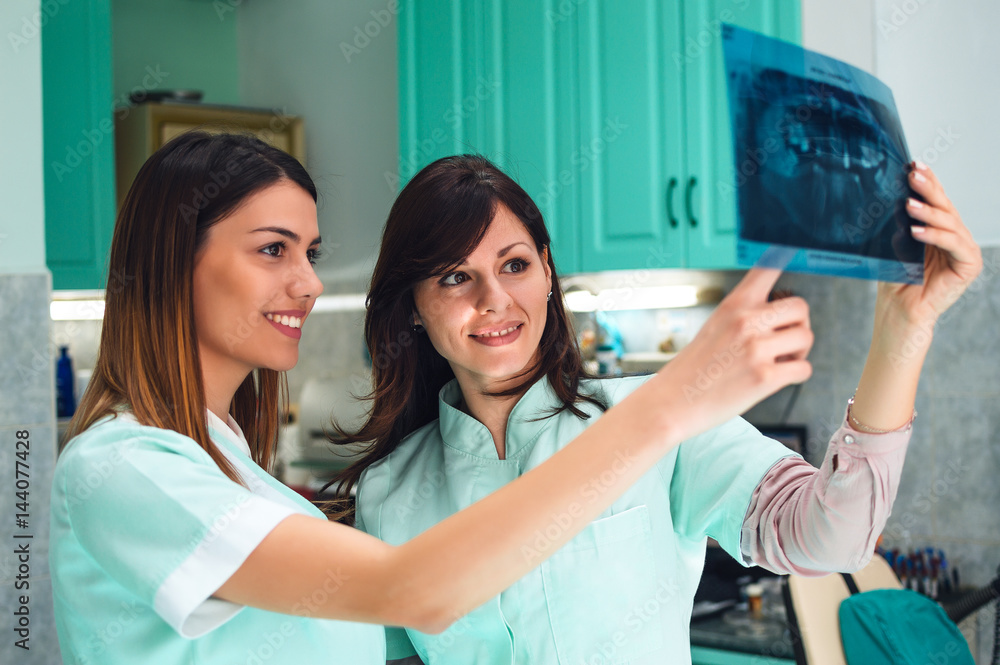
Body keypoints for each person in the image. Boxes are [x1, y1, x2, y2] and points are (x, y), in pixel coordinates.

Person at [49, 132, 818, 664]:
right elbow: (412, 588)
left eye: (311, 253)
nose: (311, 282)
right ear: (169, 263)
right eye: (273, 249)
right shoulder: (123, 467)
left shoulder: (233, 471)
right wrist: (672, 402)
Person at [339, 154, 982, 664]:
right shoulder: (388, 491)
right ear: (414, 307)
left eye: (514, 264)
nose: (494, 298)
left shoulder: (658, 416)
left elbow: (834, 539)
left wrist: (906, 329)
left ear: (547, 272)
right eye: (454, 276)